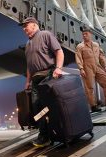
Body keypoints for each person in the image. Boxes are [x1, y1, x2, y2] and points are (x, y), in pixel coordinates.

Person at [19, 17, 64, 147]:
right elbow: (29, 66)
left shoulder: (45, 34)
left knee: (47, 106)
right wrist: (27, 81)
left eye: (25, 26)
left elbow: (59, 52)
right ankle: (44, 134)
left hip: (47, 75)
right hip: (35, 79)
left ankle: (54, 132)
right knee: (37, 107)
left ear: (34, 25)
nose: (24, 29)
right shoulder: (28, 44)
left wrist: (59, 68)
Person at [75, 26, 106, 112]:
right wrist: (81, 69)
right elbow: (78, 58)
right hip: (87, 68)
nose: (84, 36)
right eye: (83, 34)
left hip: (97, 66)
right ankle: (93, 106)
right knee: (89, 87)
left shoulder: (96, 45)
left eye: (86, 34)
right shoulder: (80, 46)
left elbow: (101, 56)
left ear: (90, 34)